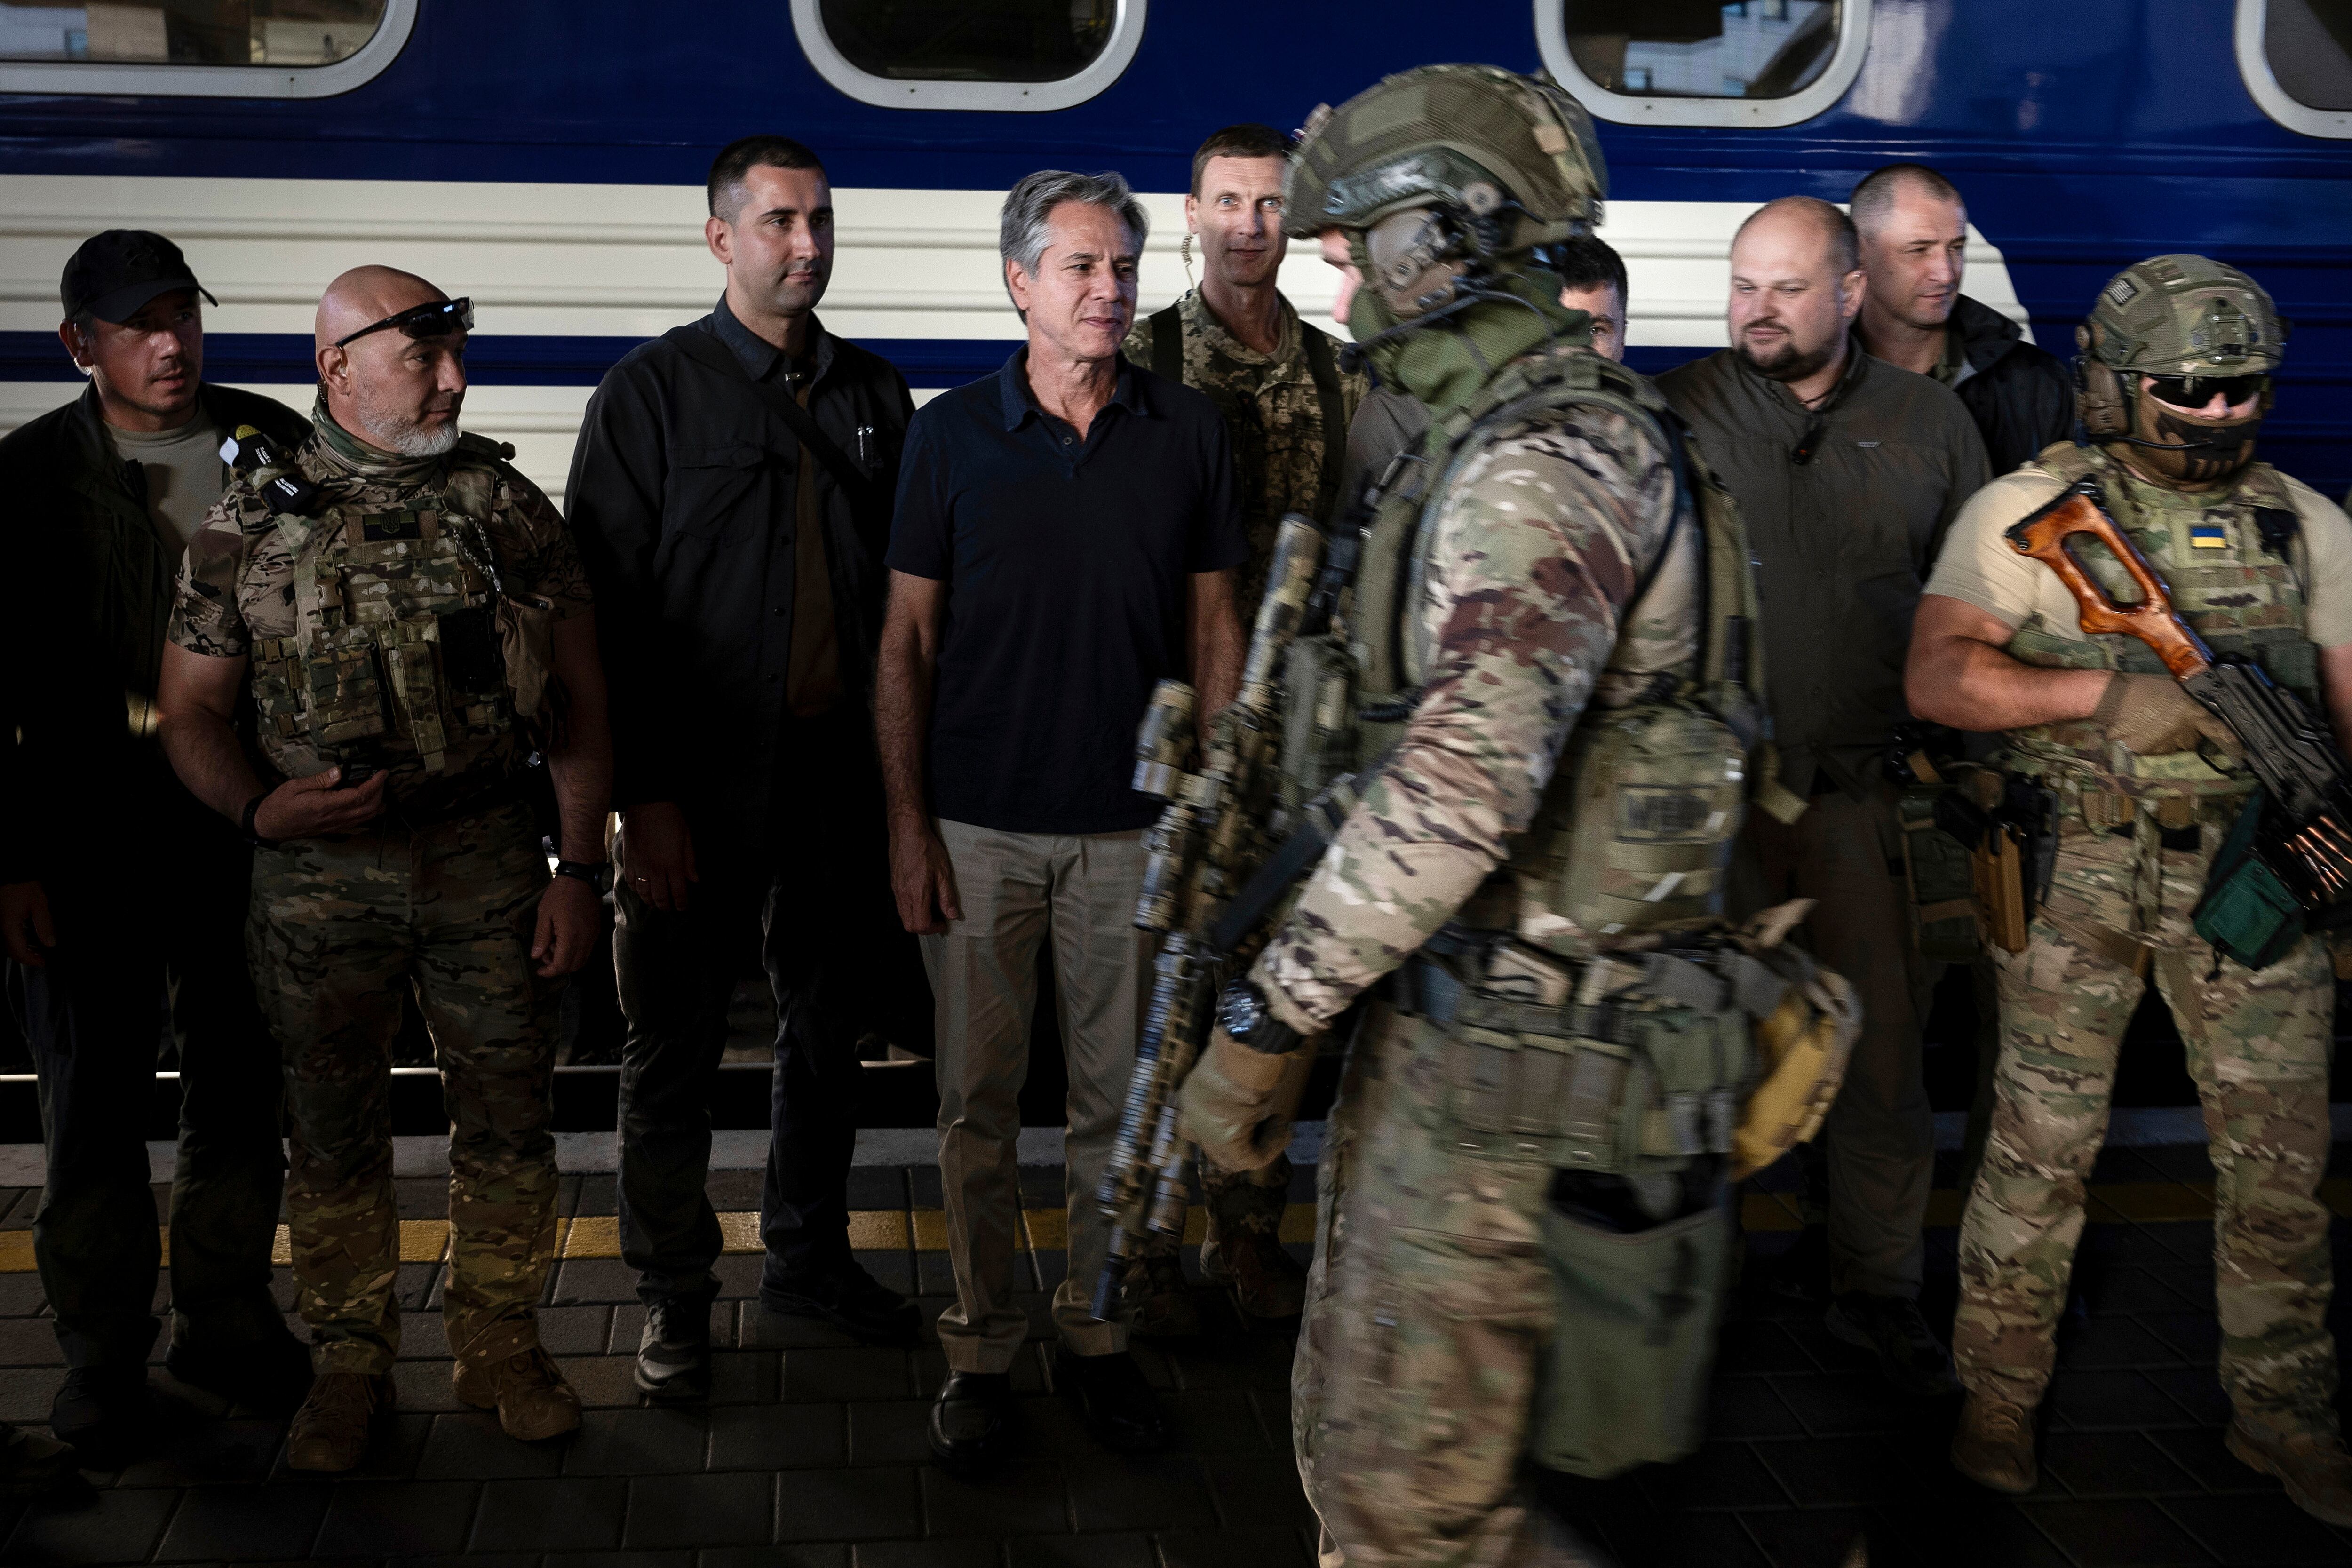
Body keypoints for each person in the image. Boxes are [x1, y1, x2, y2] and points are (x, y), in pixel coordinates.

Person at [1187, 66, 1780, 1564]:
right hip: (1499, 1041)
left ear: (1431, 241)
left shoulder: (1540, 463)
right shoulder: (1512, 436)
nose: (1330, 276)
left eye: (1347, 244)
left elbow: (1459, 788)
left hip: (1525, 1073)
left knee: (1413, 1506)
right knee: (1409, 1479)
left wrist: (1268, 1022)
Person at [1908, 255, 2352, 1523]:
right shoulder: (2033, 511)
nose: (2220, 415)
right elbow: (1940, 678)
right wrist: (2108, 695)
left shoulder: (2304, 522)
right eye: (2189, 392)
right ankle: (1997, 1399)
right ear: (2116, 386)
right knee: (2038, 1157)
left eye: (2244, 393)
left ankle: (2285, 1411)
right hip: (2082, 871)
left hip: (2259, 878)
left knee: (2279, 1168)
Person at [155, 266, 613, 1470]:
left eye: (454, 352)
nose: (454, 378)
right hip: (318, 880)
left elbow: (577, 703)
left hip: (486, 859)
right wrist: (261, 813)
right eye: (425, 357)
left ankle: (503, 1348)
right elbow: (189, 711)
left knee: (509, 1124)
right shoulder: (247, 524)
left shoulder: (504, 507)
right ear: (338, 367)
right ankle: (348, 1367)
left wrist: (578, 868)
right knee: (332, 1134)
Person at [877, 168, 1246, 1472]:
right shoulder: (948, 436)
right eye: (1081, 267)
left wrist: (1210, 807)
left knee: (1114, 1108)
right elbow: (907, 643)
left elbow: (1217, 632)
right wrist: (910, 825)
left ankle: (1091, 1332)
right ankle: (980, 1343)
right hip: (979, 829)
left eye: (1123, 267)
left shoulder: (1189, 431)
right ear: (1019, 282)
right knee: (975, 1105)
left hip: (1134, 833)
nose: (1109, 290)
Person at [565, 134, 922, 1399]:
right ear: (722, 239)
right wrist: (642, 799)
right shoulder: (648, 397)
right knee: (670, 1047)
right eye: (778, 222)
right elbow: (599, 616)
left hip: (833, 776)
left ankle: (808, 1256)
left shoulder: (878, 399)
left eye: (819, 219)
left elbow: (904, 604)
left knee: (827, 1034)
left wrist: (902, 798)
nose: (806, 243)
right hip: (694, 789)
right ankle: (672, 1297)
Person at [1655, 198, 1989, 1397]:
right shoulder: (1680, 410)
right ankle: (1697, 1284)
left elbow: (1976, 602)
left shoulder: (1930, 422)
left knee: (1878, 1055)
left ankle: (1875, 1285)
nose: (1758, 307)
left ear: (1851, 293)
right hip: (1717, 805)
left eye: (1788, 287)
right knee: (1705, 1052)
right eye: (1745, 283)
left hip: (1865, 796)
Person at [0, 229, 313, 1463]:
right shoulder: (26, 479)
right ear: (79, 344)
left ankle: (227, 1317)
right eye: (139, 324)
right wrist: (8, 855)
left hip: (234, 821)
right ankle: (103, 1351)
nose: (171, 342)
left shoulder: (264, 441)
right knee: (91, 1104)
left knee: (242, 1084)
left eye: (182, 314)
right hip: (86, 836)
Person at [1114, 122, 1367, 1336]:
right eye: (1228, 202)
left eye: (1271, 205)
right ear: (1192, 213)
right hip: (1172, 741)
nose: (1249, 225)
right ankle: (1144, 1248)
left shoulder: (1337, 373)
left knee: (1274, 1004)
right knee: (1159, 998)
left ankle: (1246, 1236)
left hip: (1293, 754)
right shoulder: (1144, 356)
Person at [1338, 232, 1629, 514]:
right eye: (1558, 331)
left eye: (1596, 330)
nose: (1576, 349)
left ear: (1623, 338)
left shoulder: (1645, 428)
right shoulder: (1391, 417)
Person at [1850, 163, 2073, 476]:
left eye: (1956, 248)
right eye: (1919, 250)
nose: (1946, 273)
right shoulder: (1813, 376)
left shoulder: (2039, 384)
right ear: (1860, 254)